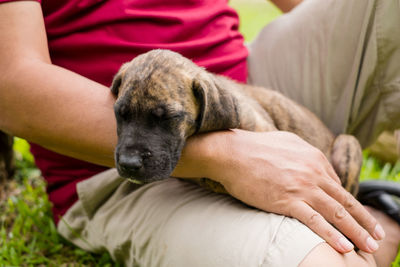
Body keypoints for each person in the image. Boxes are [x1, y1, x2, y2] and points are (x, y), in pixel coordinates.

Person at [0, 0, 399, 266]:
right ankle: (379, 224)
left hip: (249, 87)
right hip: (105, 165)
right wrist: (228, 156)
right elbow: (9, 87)